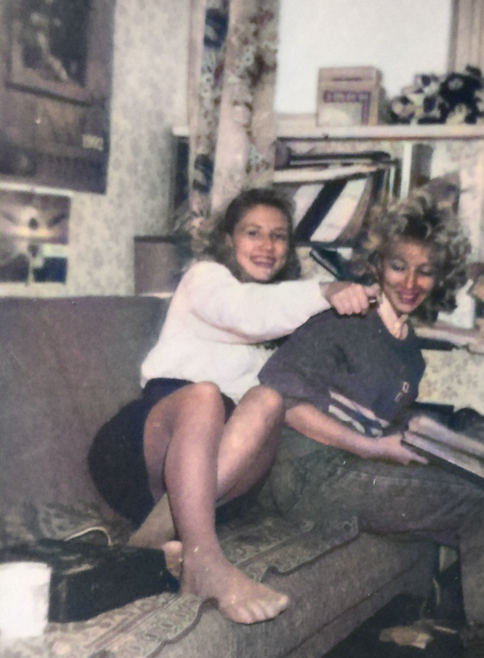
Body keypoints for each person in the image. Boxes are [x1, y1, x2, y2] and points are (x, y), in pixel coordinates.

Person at [259, 191, 484, 658]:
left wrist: (476, 461)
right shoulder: (341, 319)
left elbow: (391, 431)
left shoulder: (409, 352)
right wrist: (373, 448)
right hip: (304, 474)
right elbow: (283, 404)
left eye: (426, 271)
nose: (410, 282)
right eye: (399, 266)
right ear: (377, 263)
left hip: (351, 472)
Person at [88, 187, 378, 625]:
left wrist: (371, 443)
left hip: (212, 487)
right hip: (146, 450)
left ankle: (155, 534)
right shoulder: (205, 279)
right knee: (205, 396)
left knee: (270, 399)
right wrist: (326, 290)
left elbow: (299, 401)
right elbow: (245, 312)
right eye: (252, 233)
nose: (267, 246)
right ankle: (203, 559)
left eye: (279, 236)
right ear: (228, 239)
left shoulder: (288, 317)